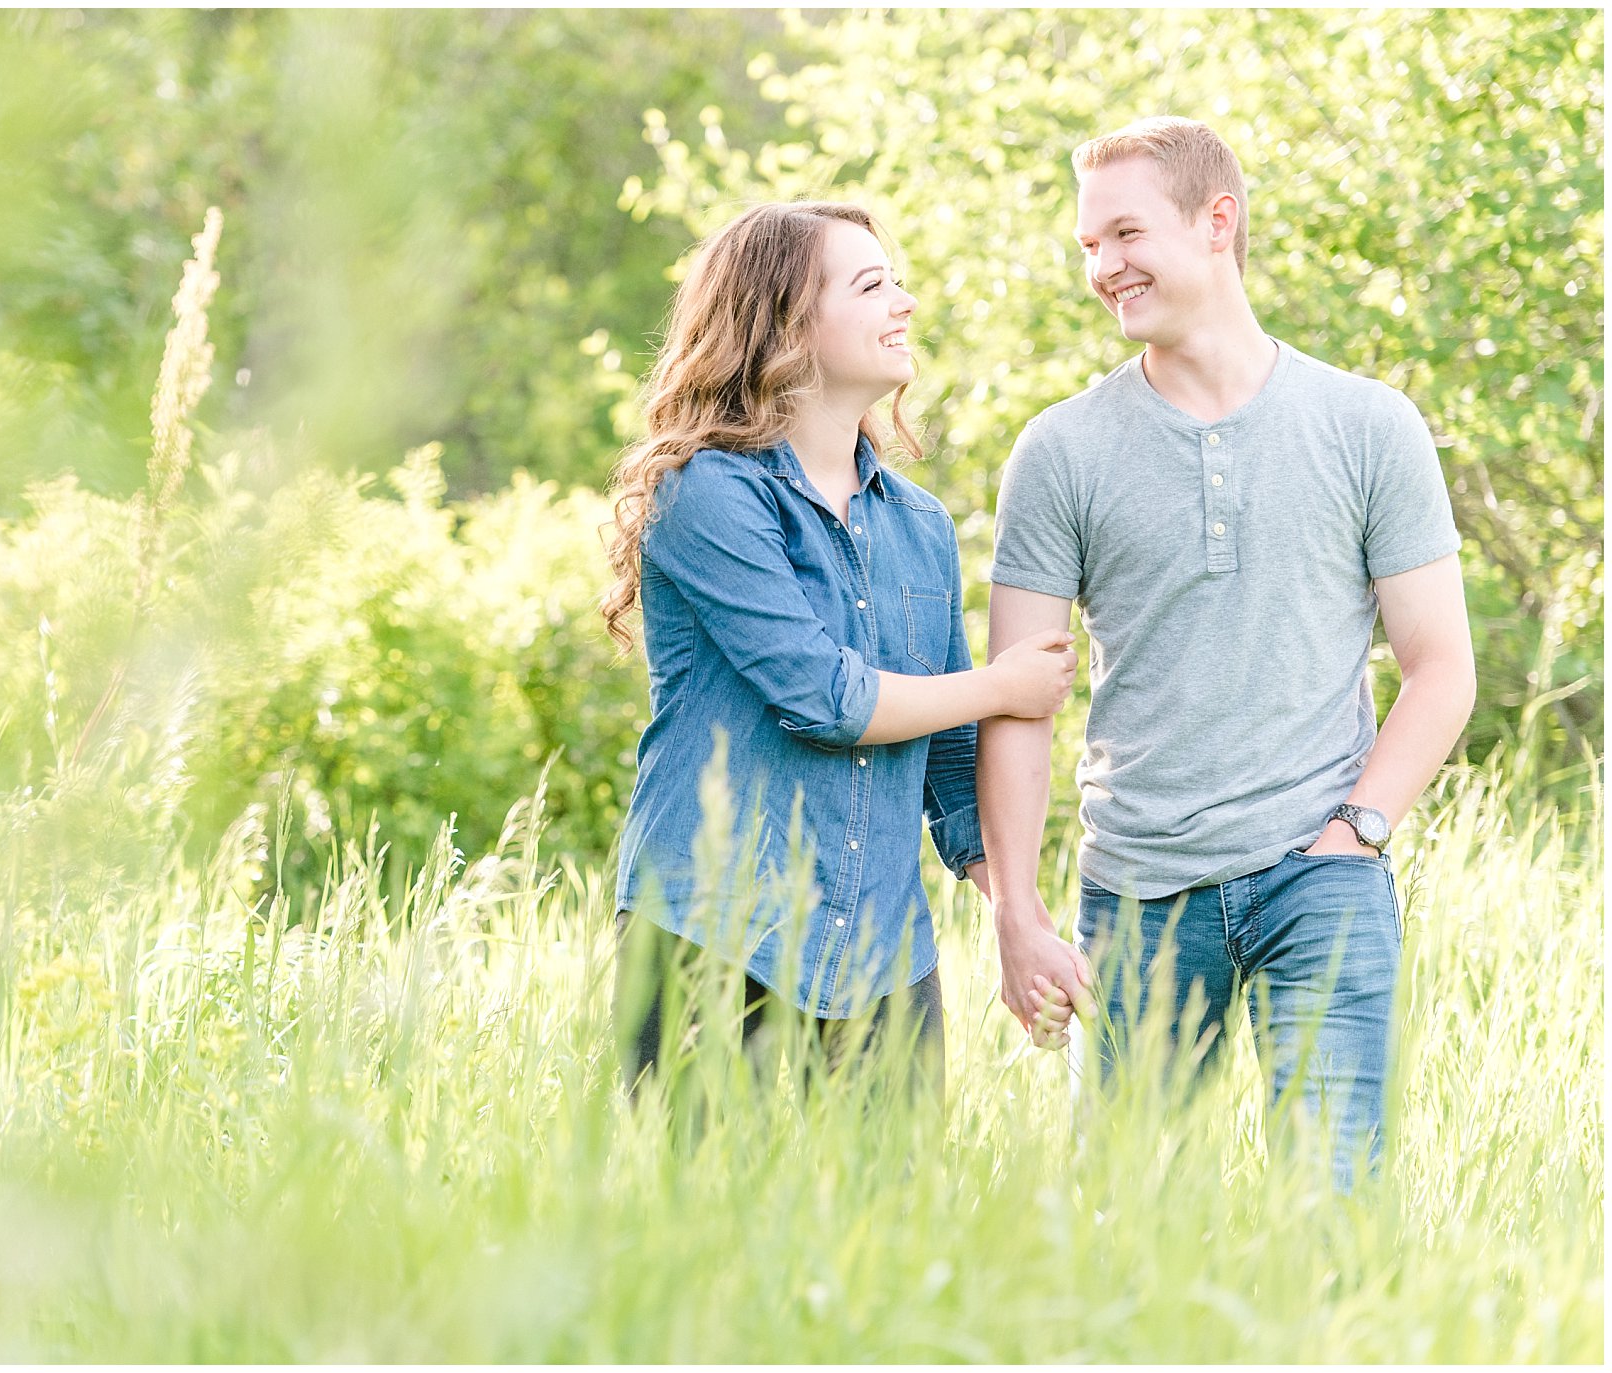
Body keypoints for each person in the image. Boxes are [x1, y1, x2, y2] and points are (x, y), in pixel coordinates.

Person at [979, 117, 1476, 1187]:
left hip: (1319, 877)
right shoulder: (1058, 450)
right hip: (1137, 889)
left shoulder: (1366, 425)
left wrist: (1358, 829)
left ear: (1217, 223)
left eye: (1122, 233)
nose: (1102, 268)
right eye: (1085, 247)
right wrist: (1016, 916)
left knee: (1331, 1200)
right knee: (1123, 1211)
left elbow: (1440, 664)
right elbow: (1018, 701)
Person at [601, 200, 1078, 1098]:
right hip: (711, 932)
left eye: (896, 280)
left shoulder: (922, 526)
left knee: (885, 1233)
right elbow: (827, 701)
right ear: (786, 319)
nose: (903, 303)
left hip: (882, 958)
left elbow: (949, 764)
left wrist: (1022, 919)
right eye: (871, 285)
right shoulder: (706, 496)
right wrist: (1003, 682)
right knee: (698, 1231)